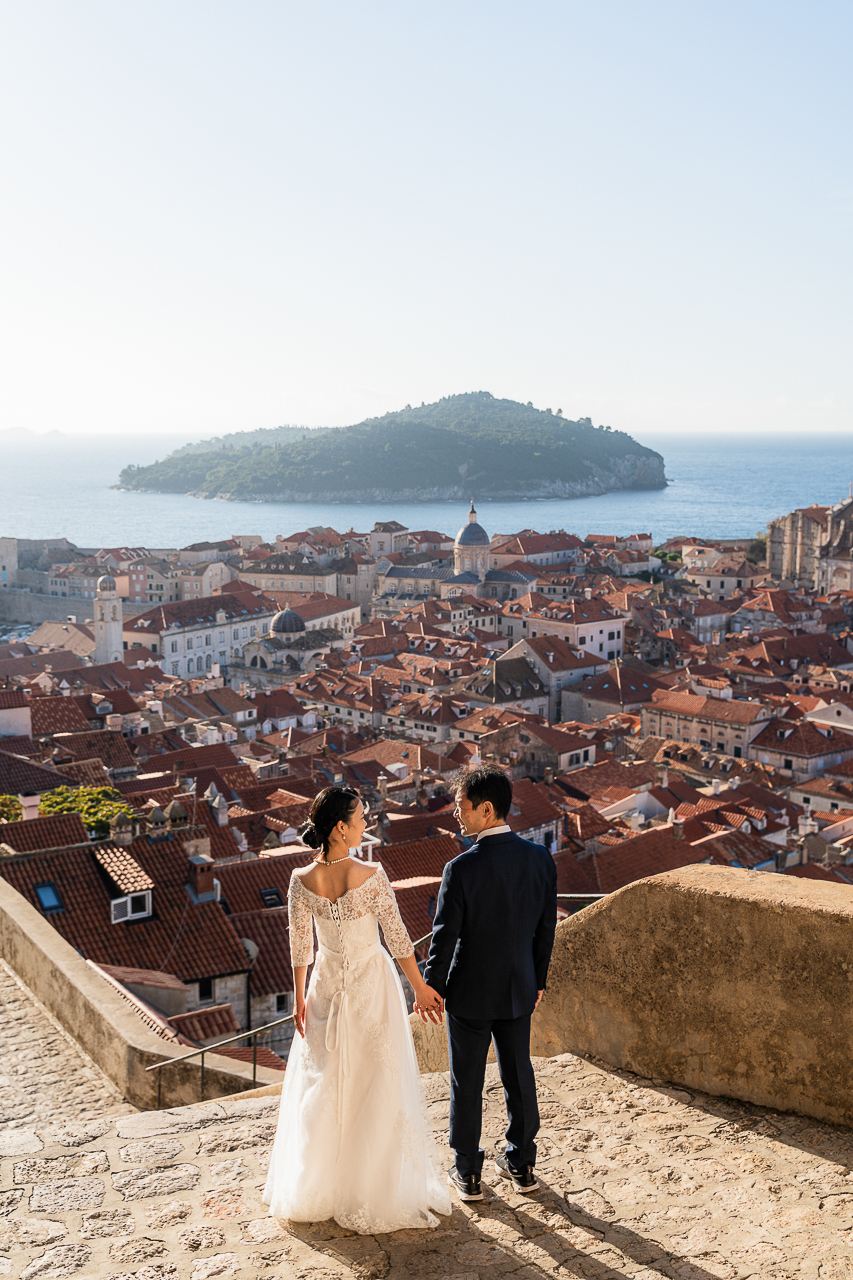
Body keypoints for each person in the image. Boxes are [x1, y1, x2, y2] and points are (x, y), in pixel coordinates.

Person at [263, 786, 452, 1233]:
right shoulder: (372, 874)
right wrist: (421, 988)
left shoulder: (299, 881)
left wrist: (298, 998)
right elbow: (399, 938)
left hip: (325, 988)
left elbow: (300, 947)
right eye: (361, 817)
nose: (367, 823)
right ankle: (373, 1185)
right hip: (371, 984)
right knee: (375, 1079)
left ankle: (322, 1185)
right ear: (341, 827)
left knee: (326, 1081)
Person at [420, 765, 558, 1202]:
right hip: (520, 986)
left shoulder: (460, 869)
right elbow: (545, 929)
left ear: (485, 809)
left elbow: (444, 937)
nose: (456, 816)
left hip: (470, 992)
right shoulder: (539, 859)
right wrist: (538, 980)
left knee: (467, 1080)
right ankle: (522, 1162)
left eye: (461, 808)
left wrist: (432, 988)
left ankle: (468, 1172)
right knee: (519, 1074)